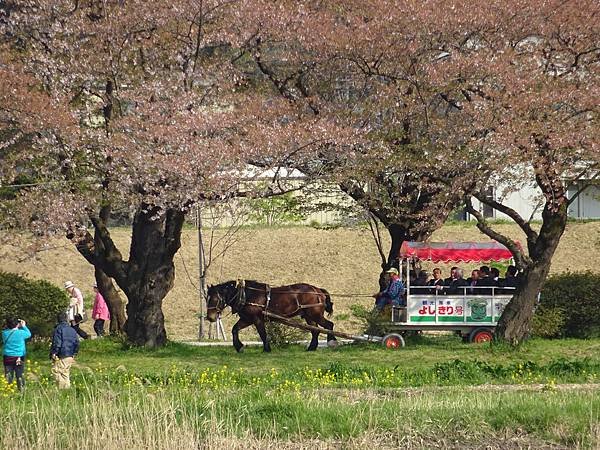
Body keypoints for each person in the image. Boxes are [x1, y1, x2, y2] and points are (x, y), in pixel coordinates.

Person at [50, 312, 80, 389]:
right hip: (70, 354)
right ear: (66, 319)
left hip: (62, 354)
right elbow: (77, 342)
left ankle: (62, 389)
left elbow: (57, 343)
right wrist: (75, 353)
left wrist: (54, 353)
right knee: (65, 373)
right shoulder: (72, 330)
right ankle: (67, 389)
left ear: (58, 320)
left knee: (57, 371)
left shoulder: (58, 329)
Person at [2, 318, 31, 391]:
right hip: (19, 357)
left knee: (8, 375)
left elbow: (7, 329)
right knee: (20, 375)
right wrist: (24, 326)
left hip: (7, 357)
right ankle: (21, 390)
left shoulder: (4, 333)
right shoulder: (21, 333)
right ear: (17, 324)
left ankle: (8, 390)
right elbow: (28, 334)